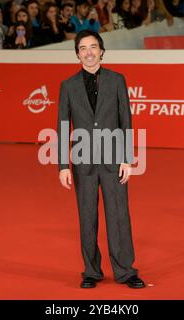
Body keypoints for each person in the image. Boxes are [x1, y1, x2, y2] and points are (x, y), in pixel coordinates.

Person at [57, 30, 145, 289]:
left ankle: (126, 271)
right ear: (77, 54)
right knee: (87, 217)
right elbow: (63, 127)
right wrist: (63, 165)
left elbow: (126, 120)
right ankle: (91, 272)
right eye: (83, 48)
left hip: (114, 159)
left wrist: (127, 158)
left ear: (102, 51)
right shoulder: (68, 86)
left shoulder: (118, 80)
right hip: (82, 161)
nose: (88, 52)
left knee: (119, 216)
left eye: (93, 47)